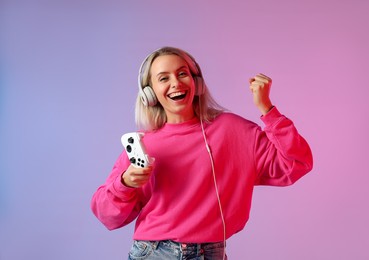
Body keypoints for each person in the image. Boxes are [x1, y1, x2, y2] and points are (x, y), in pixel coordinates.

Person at [91, 46, 313, 260]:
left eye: (182, 73)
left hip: (213, 252)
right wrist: (125, 183)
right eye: (163, 78)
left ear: (197, 83)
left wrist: (267, 109)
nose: (176, 83)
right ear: (150, 94)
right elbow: (106, 215)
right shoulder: (144, 144)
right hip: (157, 252)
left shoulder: (233, 130)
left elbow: (296, 163)